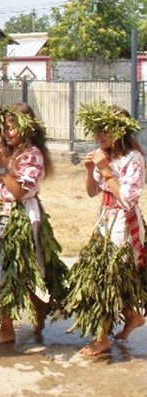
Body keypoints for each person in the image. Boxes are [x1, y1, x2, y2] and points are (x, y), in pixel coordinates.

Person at [0, 103, 68, 345]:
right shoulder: (2, 150)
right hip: (1, 214)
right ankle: (38, 307)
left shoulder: (32, 155)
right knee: (4, 269)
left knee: (8, 269)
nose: (9, 133)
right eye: (6, 128)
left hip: (20, 215)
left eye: (14, 128)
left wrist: (1, 166)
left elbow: (19, 191)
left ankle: (7, 330)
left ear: (28, 128)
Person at [64, 102, 147, 356]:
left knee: (109, 278)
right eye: (96, 131)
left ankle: (102, 339)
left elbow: (126, 199)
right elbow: (92, 193)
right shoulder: (105, 156)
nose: (99, 136)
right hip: (105, 221)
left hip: (124, 225)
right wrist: (91, 171)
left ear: (121, 131)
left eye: (105, 131)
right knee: (105, 276)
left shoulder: (134, 159)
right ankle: (131, 315)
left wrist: (104, 170)